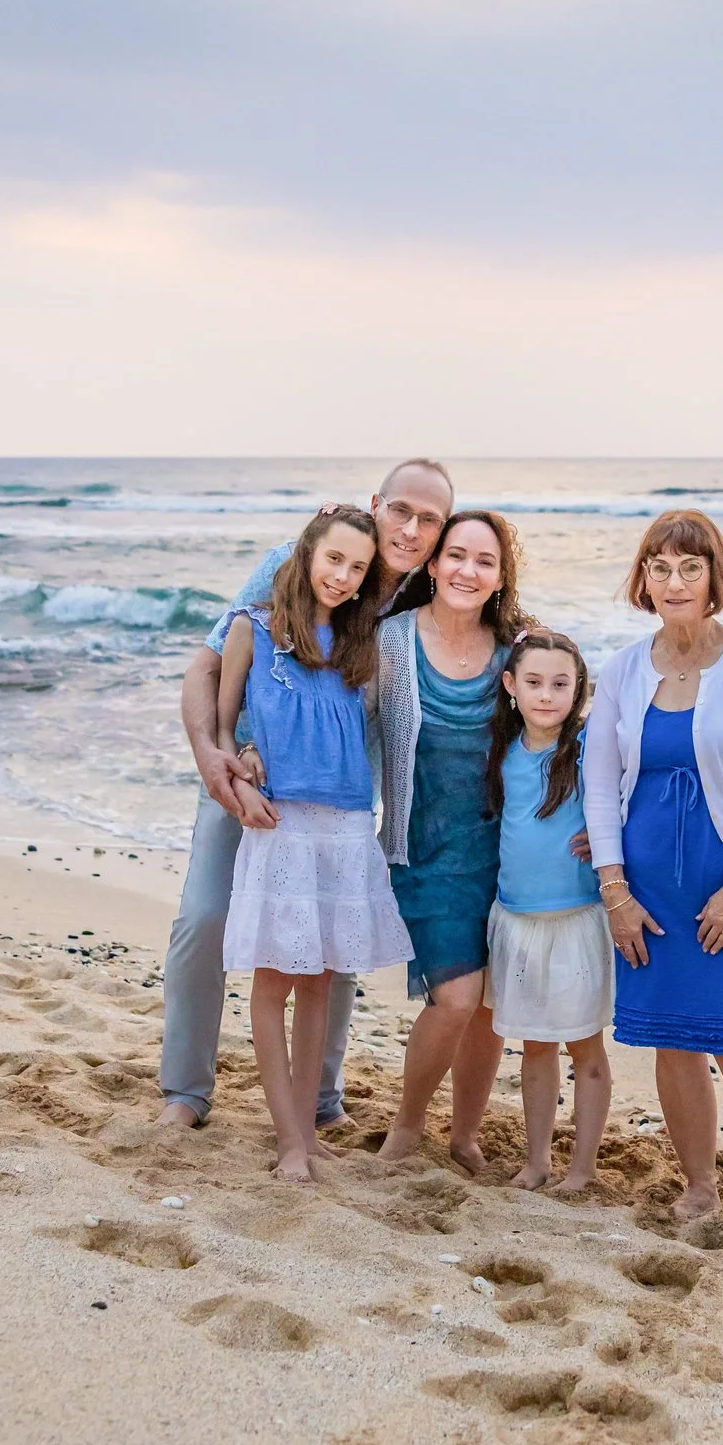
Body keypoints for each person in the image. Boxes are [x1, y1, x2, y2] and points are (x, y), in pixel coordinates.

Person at [158, 459, 453, 1132]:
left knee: (333, 941)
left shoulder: (423, 603)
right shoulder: (293, 560)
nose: (410, 528)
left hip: (338, 799)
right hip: (250, 778)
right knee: (204, 918)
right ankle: (184, 1091)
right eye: (400, 509)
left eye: (429, 519)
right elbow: (208, 665)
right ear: (374, 504)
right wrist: (217, 759)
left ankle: (319, 1101)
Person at [583, 509, 723, 1235]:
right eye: (659, 567)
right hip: (647, 891)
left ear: (715, 578)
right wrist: (614, 892)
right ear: (643, 578)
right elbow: (598, 786)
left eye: (689, 567)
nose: (673, 581)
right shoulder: (619, 670)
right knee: (673, 1044)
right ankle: (700, 1186)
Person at [212, 505, 415, 1181]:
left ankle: (306, 1126)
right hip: (282, 824)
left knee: (323, 978)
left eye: (358, 568)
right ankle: (288, 1140)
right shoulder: (254, 629)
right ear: (306, 554)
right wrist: (240, 754)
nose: (343, 576)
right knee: (275, 980)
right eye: (334, 559)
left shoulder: (361, 647)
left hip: (345, 824)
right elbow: (222, 726)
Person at [373, 509, 531, 1170]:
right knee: (456, 998)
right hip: (424, 853)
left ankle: (465, 1132)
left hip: (507, 854)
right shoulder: (389, 642)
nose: (469, 570)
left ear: (499, 578)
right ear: (433, 564)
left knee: (490, 1004)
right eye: (457, 555)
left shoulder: (518, 649)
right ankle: (409, 1125)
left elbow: (566, 730)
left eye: (485, 561)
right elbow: (332, 708)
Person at [482, 629, 614, 1194]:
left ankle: (581, 1169)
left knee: (585, 1045)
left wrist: (607, 833)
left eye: (561, 684)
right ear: (511, 686)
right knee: (535, 1046)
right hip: (516, 919)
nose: (547, 695)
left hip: (577, 919)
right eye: (533, 682)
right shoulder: (503, 753)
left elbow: (627, 800)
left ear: (578, 689)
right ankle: (536, 1161)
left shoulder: (588, 750)